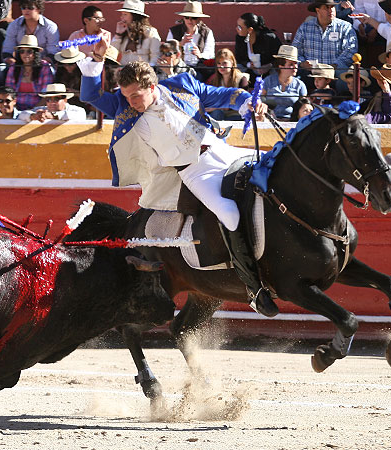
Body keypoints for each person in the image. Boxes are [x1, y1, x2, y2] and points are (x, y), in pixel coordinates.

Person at [78, 39, 278, 318]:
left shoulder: (184, 83)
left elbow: (224, 94)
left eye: (136, 96)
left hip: (221, 151)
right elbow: (90, 95)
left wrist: (249, 102)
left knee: (273, 174)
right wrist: (97, 61)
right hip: (193, 171)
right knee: (229, 215)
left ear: (151, 86)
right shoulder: (124, 108)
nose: (131, 102)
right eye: (126, 96)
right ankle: (254, 289)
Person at [292, 0, 357, 81]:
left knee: (346, 76)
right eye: (327, 8)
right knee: (291, 73)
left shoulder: (345, 27)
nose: (331, 10)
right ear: (317, 10)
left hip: (335, 71)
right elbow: (295, 51)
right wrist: (302, 63)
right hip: (310, 72)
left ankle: (344, 93)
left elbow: (350, 51)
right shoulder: (305, 27)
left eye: (332, 7)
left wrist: (335, 65)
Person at [5, 34, 54, 111]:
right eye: (22, 51)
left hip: (38, 109)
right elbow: (8, 92)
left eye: (29, 51)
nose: (25, 54)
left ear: (35, 53)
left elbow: (46, 96)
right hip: (16, 109)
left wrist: (32, 112)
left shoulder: (44, 67)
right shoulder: (13, 67)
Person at [262, 45, 307, 120]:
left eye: (295, 63)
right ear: (281, 66)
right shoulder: (268, 81)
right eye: (291, 64)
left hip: (292, 121)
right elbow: (260, 99)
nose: (295, 67)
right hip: (270, 120)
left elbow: (304, 105)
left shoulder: (300, 85)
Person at [166, 1, 215, 71]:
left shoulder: (207, 32)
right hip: (178, 67)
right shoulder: (174, 31)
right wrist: (180, 44)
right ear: (183, 18)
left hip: (199, 68)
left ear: (199, 19)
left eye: (193, 17)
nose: (190, 20)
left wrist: (200, 55)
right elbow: (167, 50)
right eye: (186, 17)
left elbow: (210, 54)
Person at [234, 12, 281, 82]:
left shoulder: (268, 38)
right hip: (249, 71)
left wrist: (269, 65)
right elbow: (238, 57)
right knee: (236, 68)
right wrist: (248, 64)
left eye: (240, 27)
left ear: (250, 30)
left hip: (267, 72)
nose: (237, 29)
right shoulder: (240, 38)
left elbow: (280, 57)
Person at [111, 0, 160, 67]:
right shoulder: (124, 31)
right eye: (122, 14)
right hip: (124, 73)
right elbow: (112, 53)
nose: (121, 17)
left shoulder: (150, 32)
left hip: (142, 74)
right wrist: (118, 34)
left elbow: (155, 55)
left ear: (135, 16)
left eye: (125, 14)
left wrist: (149, 72)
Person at [205, 48, 248, 121]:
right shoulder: (214, 80)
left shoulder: (242, 79)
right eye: (219, 63)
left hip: (236, 114)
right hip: (219, 113)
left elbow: (241, 102)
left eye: (224, 63)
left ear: (232, 63)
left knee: (216, 113)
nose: (221, 66)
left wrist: (217, 107)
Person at [20, 83, 86, 122]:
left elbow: (78, 115)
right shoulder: (42, 110)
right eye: (48, 99)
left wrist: (52, 116)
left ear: (65, 100)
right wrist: (34, 116)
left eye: (56, 99)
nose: (52, 102)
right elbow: (22, 115)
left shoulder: (77, 110)